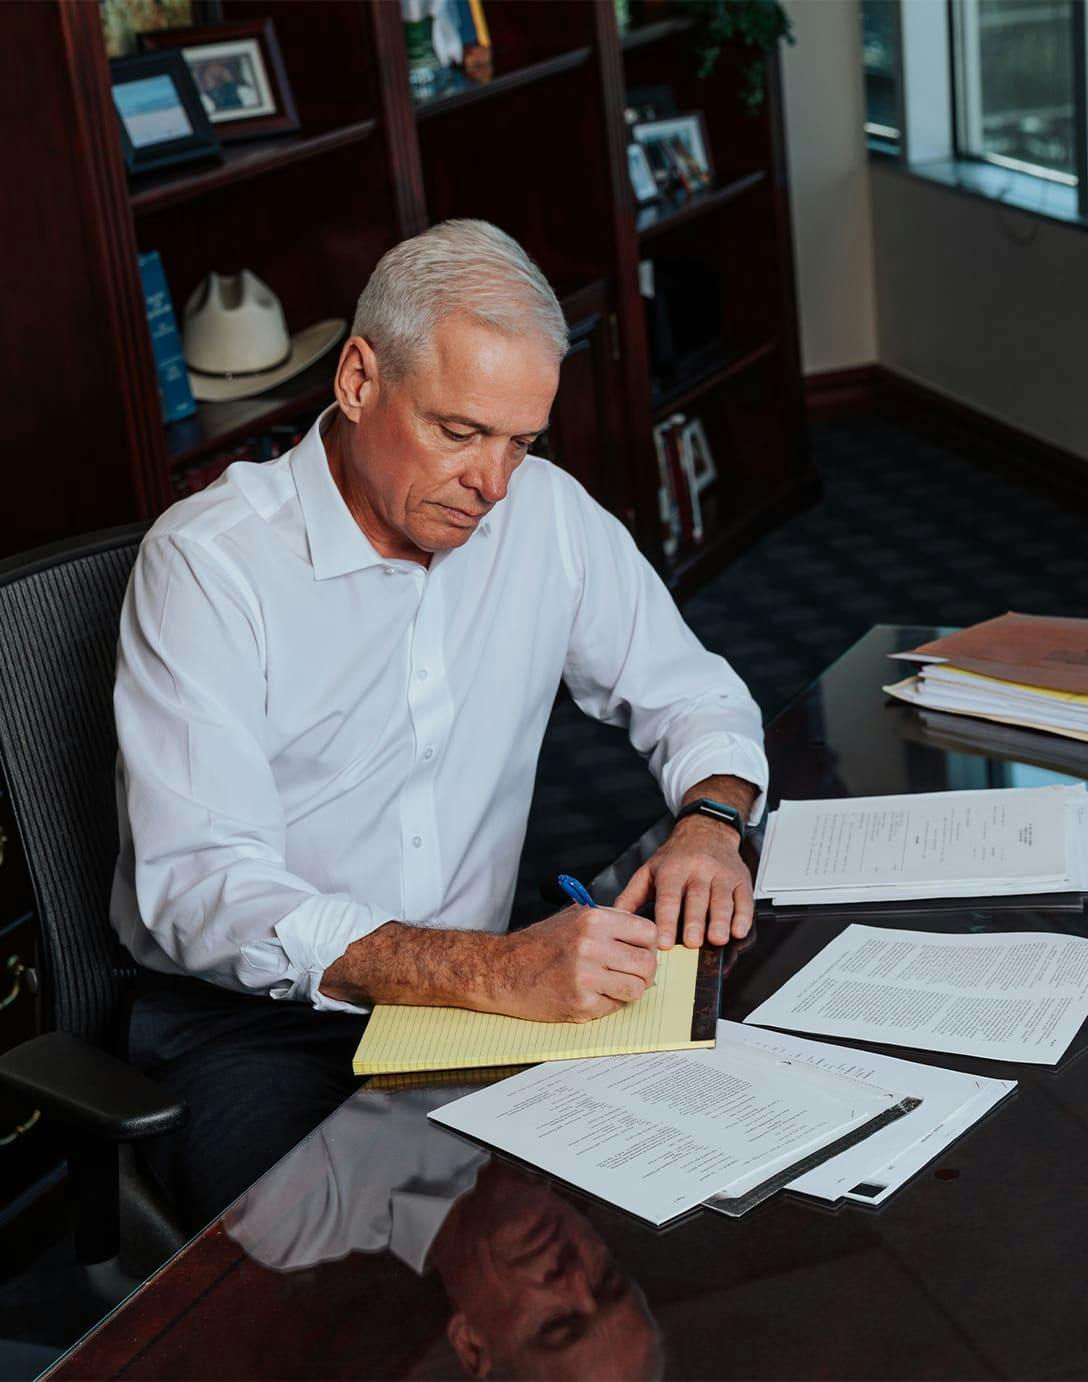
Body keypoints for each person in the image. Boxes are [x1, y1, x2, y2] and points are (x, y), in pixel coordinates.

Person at [112, 219, 767, 1227]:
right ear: (360, 381)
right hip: (257, 1022)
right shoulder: (211, 566)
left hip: (471, 1002)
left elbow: (696, 693)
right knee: (321, 1301)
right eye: (460, 432)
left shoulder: (540, 514)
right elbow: (204, 890)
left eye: (521, 441)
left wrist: (709, 823)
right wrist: (491, 968)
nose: (493, 485)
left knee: (684, 1179)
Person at [225, 1086, 663, 1380]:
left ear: (472, 1344)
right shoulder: (608, 1110)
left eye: (557, 1323)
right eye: (608, 1280)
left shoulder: (300, 1216)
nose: (573, 1276)